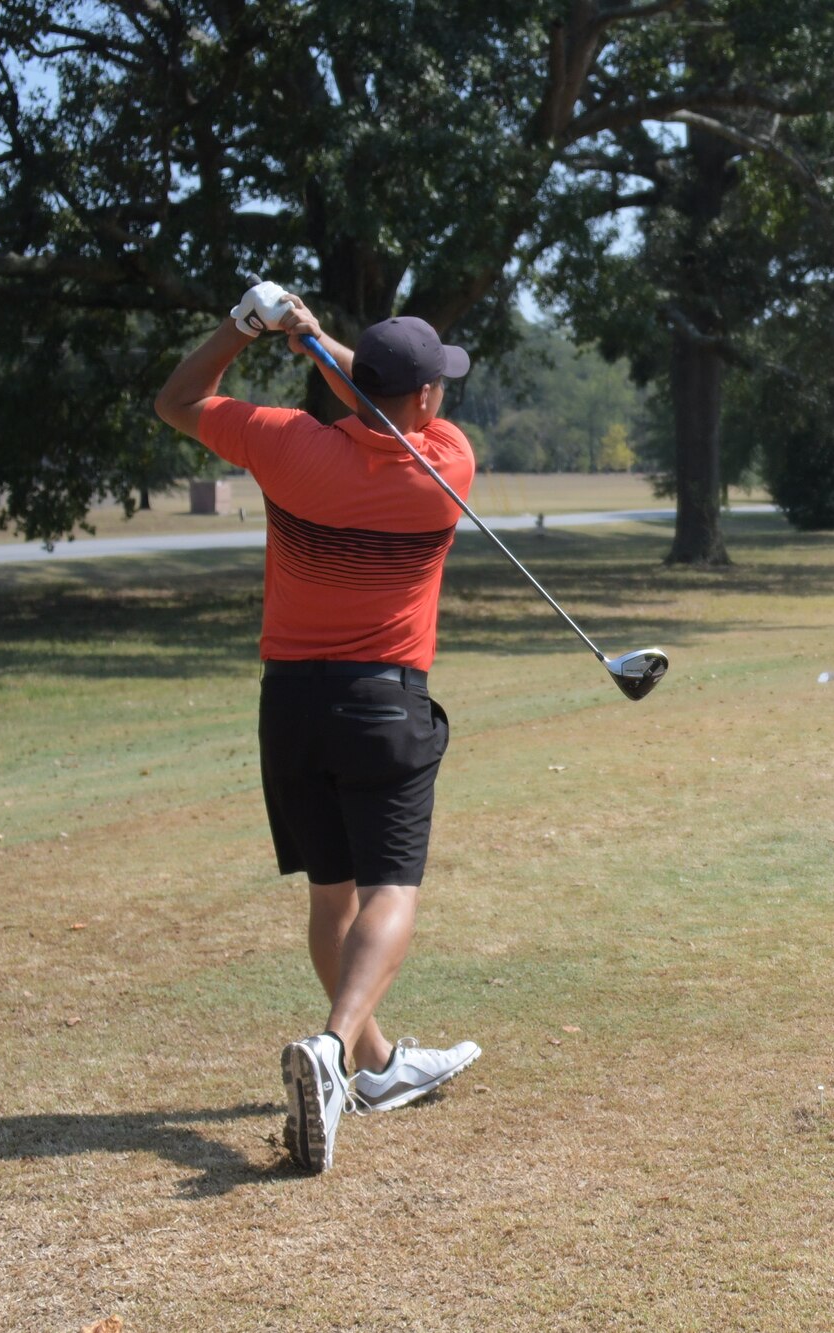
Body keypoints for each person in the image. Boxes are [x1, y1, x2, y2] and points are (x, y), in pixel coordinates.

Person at [154, 284, 483, 1174]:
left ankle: (373, 1067)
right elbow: (374, 399)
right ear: (424, 400)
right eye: (437, 383)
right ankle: (337, 1049)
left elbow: (175, 401)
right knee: (393, 891)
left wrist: (253, 327)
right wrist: (318, 341)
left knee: (330, 896)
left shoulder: (282, 444)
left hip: (289, 706)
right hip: (385, 705)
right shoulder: (447, 464)